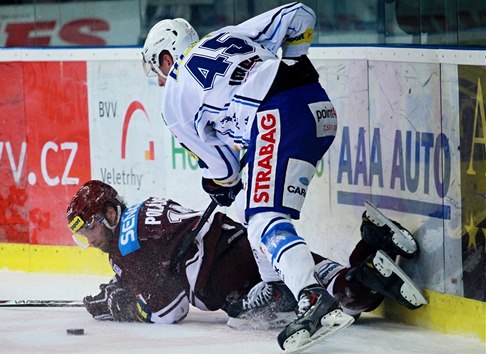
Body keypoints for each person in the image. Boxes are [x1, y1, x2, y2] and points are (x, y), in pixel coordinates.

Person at [140, 3, 356, 351]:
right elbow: (300, 14)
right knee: (251, 207)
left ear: (167, 58)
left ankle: (313, 296)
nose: (161, 80)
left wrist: (216, 184)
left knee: (263, 219)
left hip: (276, 114)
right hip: (318, 107)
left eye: (157, 69)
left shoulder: (174, 96)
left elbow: (224, 170)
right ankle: (277, 289)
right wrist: (296, 61)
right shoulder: (225, 36)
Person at [66, 180, 427, 334]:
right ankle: (373, 244)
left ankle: (369, 277)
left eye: (89, 229)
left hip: (232, 283)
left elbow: (168, 311)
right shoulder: (145, 209)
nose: (89, 239)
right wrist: (131, 282)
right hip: (246, 242)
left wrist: (128, 307)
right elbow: (163, 256)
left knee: (336, 307)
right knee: (323, 280)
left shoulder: (124, 249)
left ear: (110, 215)